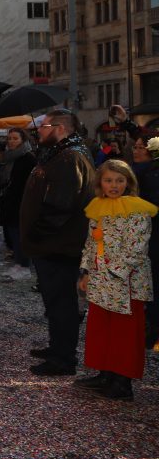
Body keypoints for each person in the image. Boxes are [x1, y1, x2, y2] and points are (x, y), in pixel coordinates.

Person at [21, 109, 95, 376]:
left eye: (44, 126)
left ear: (60, 129)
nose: (38, 130)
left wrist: (37, 234)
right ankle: (58, 347)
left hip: (59, 245)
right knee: (54, 301)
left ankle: (64, 359)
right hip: (54, 244)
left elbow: (60, 205)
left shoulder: (70, 157)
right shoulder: (60, 154)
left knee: (62, 302)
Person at [75, 159, 156, 400]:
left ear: (128, 183)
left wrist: (112, 272)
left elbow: (136, 248)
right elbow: (91, 243)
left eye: (120, 180)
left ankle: (122, 381)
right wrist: (87, 271)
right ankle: (105, 373)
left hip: (125, 282)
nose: (114, 185)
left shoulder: (137, 210)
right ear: (100, 182)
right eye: (109, 180)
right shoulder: (98, 206)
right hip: (101, 279)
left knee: (124, 333)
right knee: (102, 329)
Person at [132, 134, 159, 350]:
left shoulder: (148, 173)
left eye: (142, 148)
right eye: (135, 146)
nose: (137, 150)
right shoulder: (142, 171)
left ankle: (152, 332)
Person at [0, 128, 36, 279]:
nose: (11, 141)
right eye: (9, 138)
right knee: (13, 233)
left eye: (15, 138)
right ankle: (18, 263)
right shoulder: (10, 157)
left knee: (21, 234)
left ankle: (25, 265)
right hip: (10, 200)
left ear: (23, 140)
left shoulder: (28, 158)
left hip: (21, 201)